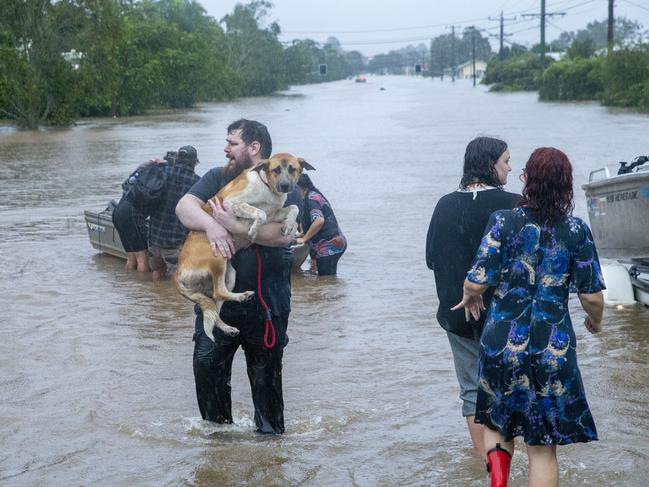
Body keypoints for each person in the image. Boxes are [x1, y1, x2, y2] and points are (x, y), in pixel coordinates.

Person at [452, 147, 605, 487]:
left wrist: (468, 295)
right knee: (542, 447)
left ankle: (498, 483)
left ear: (527, 180)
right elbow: (591, 295)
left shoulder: (504, 221)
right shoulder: (576, 230)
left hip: (501, 346)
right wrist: (596, 322)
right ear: (566, 186)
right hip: (553, 349)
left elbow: (476, 279)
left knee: (496, 426)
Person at [175, 119, 296, 434]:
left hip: (269, 306)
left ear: (254, 148)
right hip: (219, 303)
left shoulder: (285, 181)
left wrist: (233, 226)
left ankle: (271, 463)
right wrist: (213, 225)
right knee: (209, 386)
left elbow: (283, 234)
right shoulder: (218, 177)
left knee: (268, 397)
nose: (226, 149)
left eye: (232, 143)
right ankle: (219, 458)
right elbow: (184, 207)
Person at [426, 137, 520, 458]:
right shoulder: (513, 204)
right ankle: (506, 463)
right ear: (491, 164)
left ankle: (487, 466)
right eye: (506, 160)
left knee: (471, 391)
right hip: (506, 318)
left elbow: (431, 259)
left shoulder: (444, 204)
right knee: (507, 390)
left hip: (457, 315)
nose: (510, 166)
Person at [148, 145, 200, 280]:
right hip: (175, 242)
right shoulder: (197, 183)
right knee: (178, 280)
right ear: (194, 162)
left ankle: (154, 298)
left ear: (177, 159)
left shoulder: (163, 173)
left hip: (154, 238)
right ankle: (172, 301)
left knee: (157, 273)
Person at [294, 174, 347, 276]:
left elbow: (319, 220)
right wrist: (301, 234)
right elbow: (309, 221)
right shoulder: (310, 195)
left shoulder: (312, 198)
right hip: (334, 243)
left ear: (300, 187)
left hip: (329, 246)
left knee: (326, 279)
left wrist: (304, 239)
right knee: (328, 281)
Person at [112, 162, 153, 272]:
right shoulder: (151, 179)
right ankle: (142, 286)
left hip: (117, 213)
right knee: (142, 258)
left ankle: (130, 283)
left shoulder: (134, 179)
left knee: (131, 258)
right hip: (131, 215)